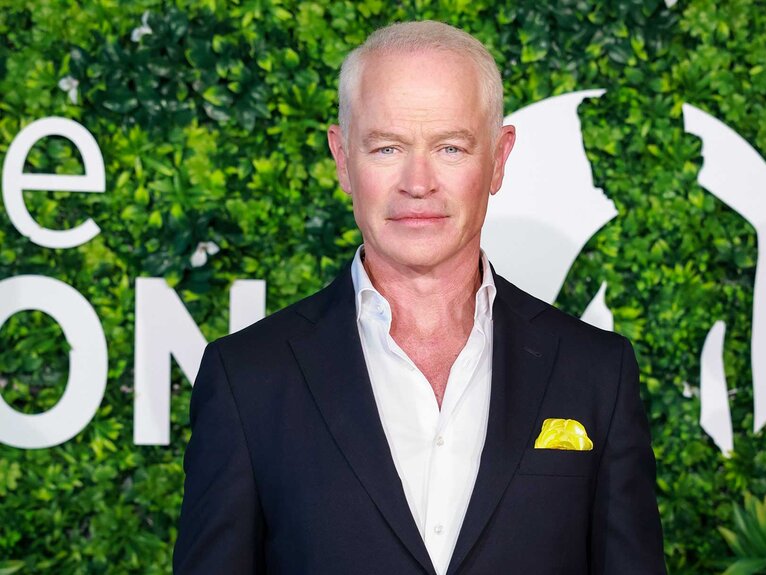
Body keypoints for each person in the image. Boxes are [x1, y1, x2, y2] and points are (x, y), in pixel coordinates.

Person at [173, 20, 666, 575]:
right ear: (342, 159)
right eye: (387, 148)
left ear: (499, 159)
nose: (418, 182)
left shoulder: (596, 373)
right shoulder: (248, 379)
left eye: (451, 148)